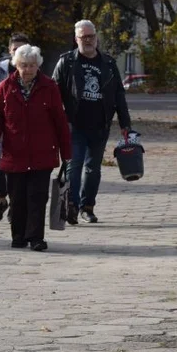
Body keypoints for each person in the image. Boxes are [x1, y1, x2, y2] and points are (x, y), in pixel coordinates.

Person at [0, 45, 72, 251]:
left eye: (32, 65)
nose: (28, 70)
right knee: (17, 198)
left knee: (38, 196)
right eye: (24, 65)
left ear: (38, 66)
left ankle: (36, 238)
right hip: (14, 153)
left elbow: (60, 122)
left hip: (42, 152)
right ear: (16, 65)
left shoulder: (49, 86)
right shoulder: (6, 86)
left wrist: (67, 154)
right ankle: (18, 236)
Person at [52, 19, 131, 224]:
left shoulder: (109, 64)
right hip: (74, 124)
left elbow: (119, 95)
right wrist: (54, 121)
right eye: (83, 37)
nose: (88, 40)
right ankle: (72, 205)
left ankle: (88, 207)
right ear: (76, 39)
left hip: (100, 125)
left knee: (93, 168)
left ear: (96, 38)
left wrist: (125, 124)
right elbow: (52, 94)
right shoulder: (67, 62)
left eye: (91, 36)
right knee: (74, 165)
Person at [0, 32, 31, 223]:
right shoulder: (1, 69)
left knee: (16, 172)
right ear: (10, 51)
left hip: (21, 128)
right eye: (15, 50)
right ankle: (2, 200)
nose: (19, 53)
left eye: (22, 49)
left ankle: (15, 205)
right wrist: (0, 92)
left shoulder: (33, 69)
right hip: (1, 124)